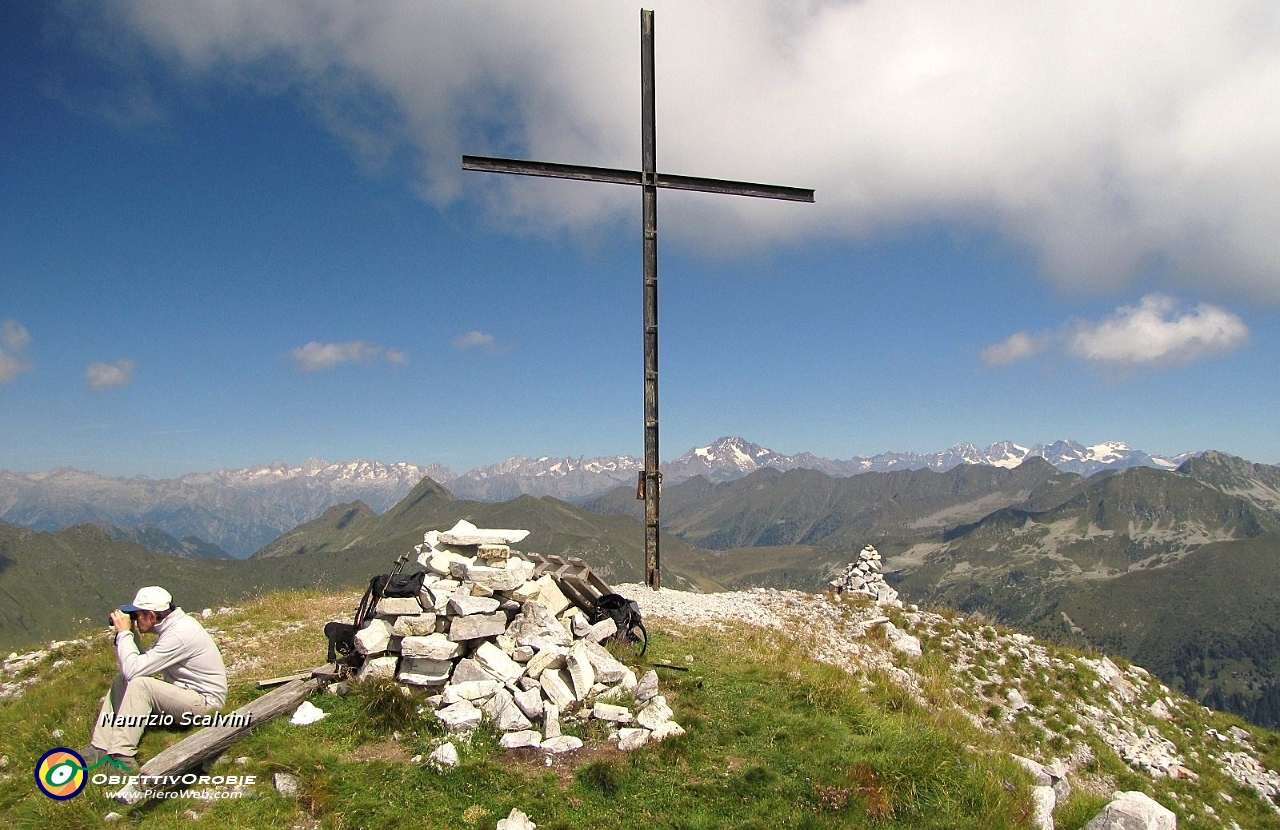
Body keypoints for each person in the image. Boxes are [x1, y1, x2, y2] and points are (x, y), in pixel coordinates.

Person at [80, 586, 227, 773]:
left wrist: (124, 633)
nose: (134, 618)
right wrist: (131, 634)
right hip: (188, 697)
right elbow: (139, 667)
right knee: (122, 680)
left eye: (137, 614)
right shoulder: (174, 627)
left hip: (205, 705)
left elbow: (135, 671)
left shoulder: (179, 633)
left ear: (151, 616)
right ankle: (100, 748)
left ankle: (121, 757)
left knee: (140, 684)